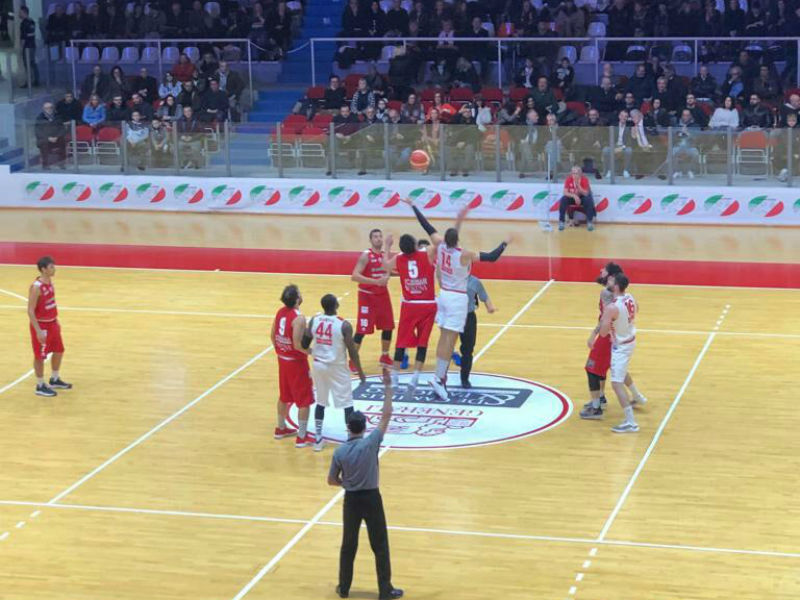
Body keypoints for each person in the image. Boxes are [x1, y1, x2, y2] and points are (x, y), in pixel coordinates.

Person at [404, 199, 509, 401]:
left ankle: (439, 377)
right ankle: (438, 379)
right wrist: (505, 242)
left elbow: (427, 226)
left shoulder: (440, 246)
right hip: (457, 298)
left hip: (443, 295)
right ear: (458, 240)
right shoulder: (465, 254)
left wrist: (414, 206)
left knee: (444, 338)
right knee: (450, 340)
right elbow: (492, 257)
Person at [327, 370, 403, 600]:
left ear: (348, 427)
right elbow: (386, 415)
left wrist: (345, 483)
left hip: (351, 501)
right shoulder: (371, 443)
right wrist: (388, 387)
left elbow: (331, 480)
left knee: (348, 545)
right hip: (371, 499)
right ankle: (385, 590)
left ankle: (344, 588)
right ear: (363, 427)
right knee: (379, 545)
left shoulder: (340, 452)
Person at [580, 263, 647, 420]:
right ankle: (636, 396)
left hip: (610, 337)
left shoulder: (607, 294)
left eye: (604, 269)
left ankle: (597, 406)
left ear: (611, 278)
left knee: (592, 368)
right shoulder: (627, 295)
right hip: (624, 336)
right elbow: (636, 308)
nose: (600, 270)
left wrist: (594, 334)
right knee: (615, 368)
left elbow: (605, 320)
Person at [303, 294, 365, 453]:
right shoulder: (344, 325)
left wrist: (315, 350)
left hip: (319, 365)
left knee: (321, 402)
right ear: (336, 305)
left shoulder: (314, 320)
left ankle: (318, 439)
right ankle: (351, 439)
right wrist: (360, 372)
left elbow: (304, 343)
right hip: (337, 367)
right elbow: (353, 352)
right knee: (347, 403)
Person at [381, 232, 438, 400]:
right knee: (422, 343)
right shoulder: (426, 253)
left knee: (401, 342)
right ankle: (415, 377)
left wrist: (387, 246)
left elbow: (385, 266)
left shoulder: (399, 258)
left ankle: (395, 379)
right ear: (414, 245)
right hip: (427, 304)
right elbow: (439, 242)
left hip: (409, 305)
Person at [271, 284, 315, 447]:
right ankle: (302, 436)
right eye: (300, 293)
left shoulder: (280, 312)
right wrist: (312, 352)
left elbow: (272, 335)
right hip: (296, 363)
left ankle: (281, 428)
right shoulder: (299, 318)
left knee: (284, 395)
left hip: (282, 359)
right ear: (297, 299)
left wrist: (281, 350)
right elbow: (297, 345)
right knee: (304, 400)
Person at [597, 272, 642, 433]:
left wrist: (606, 320)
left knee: (616, 383)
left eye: (611, 280)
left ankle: (631, 422)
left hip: (621, 347)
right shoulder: (630, 297)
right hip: (630, 339)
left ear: (616, 286)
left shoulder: (612, 307)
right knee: (621, 374)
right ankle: (638, 397)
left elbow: (603, 333)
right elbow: (637, 308)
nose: (608, 281)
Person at [27, 256, 72, 397]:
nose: (54, 269)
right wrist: (38, 331)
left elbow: (50, 303)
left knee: (59, 350)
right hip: (42, 325)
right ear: (43, 269)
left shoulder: (50, 283)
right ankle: (40, 385)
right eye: (51, 267)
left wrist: (56, 320)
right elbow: (30, 310)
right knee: (40, 356)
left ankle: (54, 378)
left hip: (52, 323)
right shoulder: (36, 287)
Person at [351, 229, 394, 371]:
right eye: (375, 237)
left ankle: (385, 356)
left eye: (380, 236)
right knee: (361, 330)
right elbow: (354, 276)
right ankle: (353, 360)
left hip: (383, 296)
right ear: (370, 240)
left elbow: (388, 271)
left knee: (388, 326)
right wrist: (375, 282)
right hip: (367, 296)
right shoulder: (366, 255)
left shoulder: (384, 255)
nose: (378, 239)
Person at [456, 275, 496, 388]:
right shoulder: (451, 279)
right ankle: (440, 379)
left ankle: (464, 378)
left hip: (468, 317)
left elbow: (484, 296)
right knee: (447, 348)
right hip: (453, 315)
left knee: (468, 349)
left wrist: (490, 307)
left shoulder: (475, 281)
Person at [558, 165, 597, 231]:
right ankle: (561, 222)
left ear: (580, 174)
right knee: (563, 199)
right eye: (573, 173)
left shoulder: (584, 179)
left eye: (576, 173)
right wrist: (574, 196)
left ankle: (589, 222)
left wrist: (578, 185)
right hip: (572, 197)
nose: (574, 175)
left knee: (588, 200)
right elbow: (565, 192)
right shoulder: (569, 179)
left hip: (582, 197)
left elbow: (586, 193)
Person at [35, 102, 67, 170]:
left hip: (57, 138)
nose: (49, 109)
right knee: (43, 144)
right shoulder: (39, 118)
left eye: (50, 108)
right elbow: (38, 131)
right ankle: (45, 164)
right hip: (45, 138)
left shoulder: (58, 116)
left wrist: (57, 137)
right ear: (43, 109)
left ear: (53, 108)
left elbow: (62, 129)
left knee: (62, 142)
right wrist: (48, 138)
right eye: (47, 108)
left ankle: (61, 163)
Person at [19, 6, 39, 88]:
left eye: (20, 12)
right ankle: (36, 80)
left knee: (27, 65)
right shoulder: (32, 21)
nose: (19, 14)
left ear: (24, 12)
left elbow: (23, 37)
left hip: (27, 47)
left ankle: (29, 82)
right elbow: (32, 34)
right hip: (32, 45)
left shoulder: (24, 23)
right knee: (33, 63)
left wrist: (21, 48)